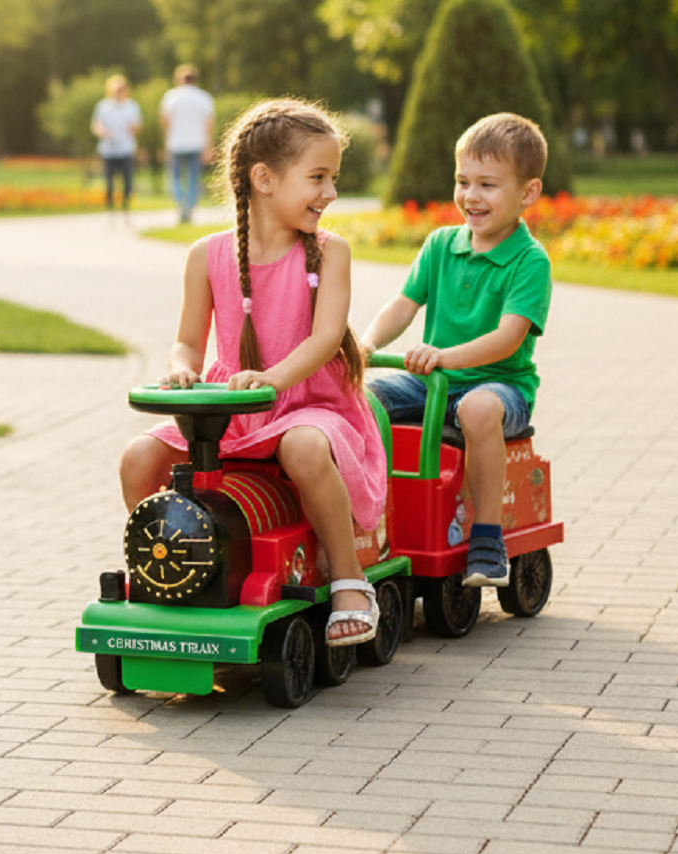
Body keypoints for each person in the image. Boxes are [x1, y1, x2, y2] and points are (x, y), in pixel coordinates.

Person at [120, 97, 386, 646]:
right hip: (233, 406)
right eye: (317, 177)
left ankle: (349, 580)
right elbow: (187, 342)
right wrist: (181, 371)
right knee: (138, 455)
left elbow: (325, 339)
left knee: (304, 449)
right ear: (264, 178)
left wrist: (273, 379)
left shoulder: (330, 253)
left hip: (309, 400)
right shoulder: (207, 255)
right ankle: (176, 567)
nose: (330, 193)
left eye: (333, 178)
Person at [360, 112, 551, 590]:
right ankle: (370, 517)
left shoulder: (529, 261)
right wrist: (365, 343)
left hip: (501, 384)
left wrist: (444, 357)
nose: (470, 196)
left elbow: (507, 338)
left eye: (487, 184)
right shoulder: (440, 244)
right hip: (433, 380)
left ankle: (487, 538)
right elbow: (404, 305)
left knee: (478, 408)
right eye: (463, 181)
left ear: (527, 193)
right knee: (363, 401)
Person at [160, 64, 216, 223]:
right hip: (196, 143)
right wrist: (208, 146)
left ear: (178, 79)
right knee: (193, 178)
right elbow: (208, 124)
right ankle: (190, 207)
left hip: (176, 144)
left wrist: (166, 141)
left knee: (176, 177)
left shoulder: (171, 97)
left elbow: (166, 121)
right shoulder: (204, 97)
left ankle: (181, 204)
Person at [90, 74, 142, 217]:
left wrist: (133, 128)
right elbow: (96, 124)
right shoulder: (103, 106)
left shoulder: (131, 106)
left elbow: (137, 125)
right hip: (109, 149)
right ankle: (110, 207)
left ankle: (125, 205)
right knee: (109, 180)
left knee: (127, 179)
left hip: (126, 148)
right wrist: (103, 131)